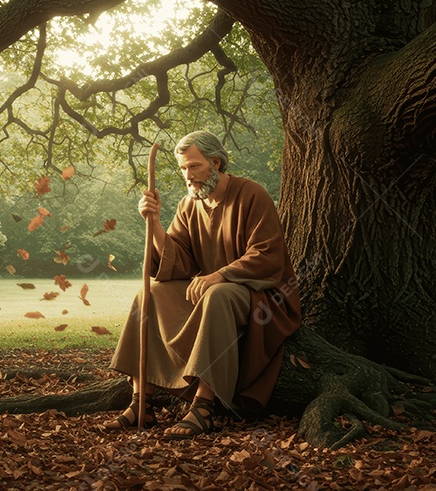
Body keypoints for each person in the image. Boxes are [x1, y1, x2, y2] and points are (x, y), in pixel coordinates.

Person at [104, 130, 301, 440]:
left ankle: (204, 407)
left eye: (194, 166)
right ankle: (142, 401)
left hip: (259, 296)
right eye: (183, 168)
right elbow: (176, 262)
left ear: (216, 163)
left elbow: (267, 254)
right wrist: (154, 223)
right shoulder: (188, 205)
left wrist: (219, 275)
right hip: (209, 292)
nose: (188, 175)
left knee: (218, 294)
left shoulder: (252, 195)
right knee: (151, 294)